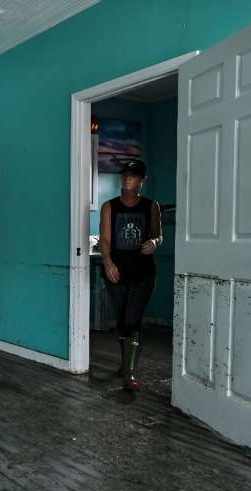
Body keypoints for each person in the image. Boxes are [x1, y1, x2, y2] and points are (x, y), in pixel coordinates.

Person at [98, 159, 161, 391]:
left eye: (132, 175)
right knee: (122, 319)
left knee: (133, 319)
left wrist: (154, 242)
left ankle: (130, 374)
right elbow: (104, 239)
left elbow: (158, 235)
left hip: (143, 273)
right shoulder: (109, 206)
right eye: (124, 174)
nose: (127, 178)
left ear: (141, 181)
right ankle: (126, 363)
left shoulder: (151, 206)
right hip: (116, 271)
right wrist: (107, 262)